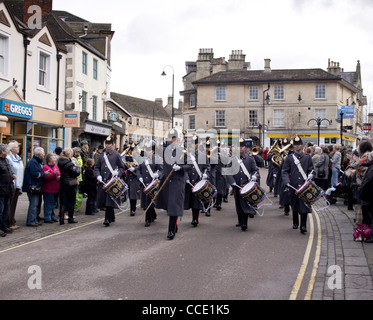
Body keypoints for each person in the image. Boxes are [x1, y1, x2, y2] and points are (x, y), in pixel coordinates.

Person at [156, 129, 189, 240]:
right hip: (167, 182)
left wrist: (180, 168)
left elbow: (190, 166)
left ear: (176, 139)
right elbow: (156, 151)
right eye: (169, 138)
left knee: (174, 207)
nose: (170, 140)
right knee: (169, 206)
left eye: (172, 138)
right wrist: (152, 145)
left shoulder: (182, 151)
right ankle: (174, 226)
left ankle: (170, 231)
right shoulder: (165, 150)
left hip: (177, 182)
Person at [282, 136, 314, 234]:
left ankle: (303, 226)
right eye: (295, 145)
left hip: (304, 185)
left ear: (302, 145)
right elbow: (285, 171)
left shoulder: (307, 157)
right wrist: (286, 181)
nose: (297, 146)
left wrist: (311, 175)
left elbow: (311, 169)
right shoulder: (289, 158)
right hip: (293, 184)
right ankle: (295, 222)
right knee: (294, 204)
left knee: (304, 205)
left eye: (299, 144)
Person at [226, 138, 259, 232]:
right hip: (236, 184)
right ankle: (240, 220)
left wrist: (253, 177)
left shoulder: (250, 158)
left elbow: (255, 170)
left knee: (245, 203)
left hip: (246, 185)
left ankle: (244, 223)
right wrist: (232, 182)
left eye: (242, 146)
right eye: (239, 146)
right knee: (238, 204)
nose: (240, 148)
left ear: (245, 147)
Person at [95, 136, 126, 227]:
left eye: (109, 144)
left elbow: (122, 168)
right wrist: (98, 175)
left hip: (112, 181)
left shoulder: (116, 155)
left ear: (112, 145)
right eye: (106, 144)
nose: (108, 146)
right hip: (103, 181)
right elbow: (97, 167)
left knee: (109, 200)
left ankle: (107, 219)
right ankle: (111, 217)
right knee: (105, 200)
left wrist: (118, 173)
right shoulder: (101, 156)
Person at [184, 135, 210, 227]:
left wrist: (205, 174)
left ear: (198, 144)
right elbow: (184, 167)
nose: (192, 145)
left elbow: (207, 167)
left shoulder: (203, 155)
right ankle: (193, 217)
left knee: (196, 201)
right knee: (190, 200)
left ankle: (195, 219)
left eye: (194, 144)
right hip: (189, 180)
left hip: (198, 181)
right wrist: (186, 177)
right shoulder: (187, 155)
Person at [136, 141, 163, 227]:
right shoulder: (142, 160)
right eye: (147, 150)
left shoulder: (157, 159)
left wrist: (157, 174)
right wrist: (139, 177)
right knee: (146, 202)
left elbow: (162, 170)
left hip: (152, 184)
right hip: (144, 183)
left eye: (149, 150)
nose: (148, 152)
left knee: (150, 201)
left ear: (153, 151)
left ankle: (147, 219)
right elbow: (138, 169)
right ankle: (153, 215)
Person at [23, 147, 46, 227]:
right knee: (34, 204)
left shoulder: (36, 161)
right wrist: (44, 173)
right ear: (40, 154)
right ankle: (31, 220)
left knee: (35, 204)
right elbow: (36, 174)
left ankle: (34, 219)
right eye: (43, 153)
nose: (44, 155)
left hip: (34, 186)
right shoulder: (33, 162)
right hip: (32, 186)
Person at [58, 148, 80, 225]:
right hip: (70, 184)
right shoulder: (69, 164)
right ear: (69, 154)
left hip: (62, 183)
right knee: (71, 201)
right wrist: (78, 167)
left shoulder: (60, 162)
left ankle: (61, 219)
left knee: (63, 201)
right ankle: (70, 218)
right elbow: (76, 173)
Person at [6, 142, 24, 231]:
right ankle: (9, 222)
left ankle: (12, 220)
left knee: (14, 204)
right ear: (12, 148)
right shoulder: (9, 158)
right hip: (11, 185)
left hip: (18, 184)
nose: (18, 148)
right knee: (10, 204)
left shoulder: (19, 158)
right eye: (16, 147)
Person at [0, 144, 15, 237]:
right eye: (7, 150)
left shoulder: (5, 160)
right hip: (1, 190)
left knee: (6, 210)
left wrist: (12, 174)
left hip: (8, 189)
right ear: (2, 151)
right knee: (0, 211)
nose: (8, 151)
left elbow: (9, 171)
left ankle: (4, 226)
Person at [42, 153, 60, 223]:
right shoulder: (45, 167)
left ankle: (52, 216)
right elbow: (46, 177)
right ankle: (47, 217)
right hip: (48, 189)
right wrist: (54, 174)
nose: (55, 159)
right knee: (48, 204)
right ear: (49, 159)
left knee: (54, 204)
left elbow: (58, 173)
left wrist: (58, 176)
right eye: (54, 158)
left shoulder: (55, 166)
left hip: (56, 188)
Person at [123, 143, 140, 216]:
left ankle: (133, 209)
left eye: (132, 150)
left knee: (133, 195)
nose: (131, 152)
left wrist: (135, 169)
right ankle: (132, 209)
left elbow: (140, 167)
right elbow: (124, 166)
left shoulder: (139, 157)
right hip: (129, 178)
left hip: (135, 178)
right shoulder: (127, 157)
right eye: (130, 150)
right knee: (130, 195)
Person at [72, 147, 84, 212]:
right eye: (78, 152)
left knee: (77, 193)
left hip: (79, 178)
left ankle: (76, 205)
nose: (79, 153)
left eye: (79, 152)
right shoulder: (73, 159)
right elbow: (77, 166)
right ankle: (74, 206)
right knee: (74, 193)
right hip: (75, 178)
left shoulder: (78, 158)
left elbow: (80, 164)